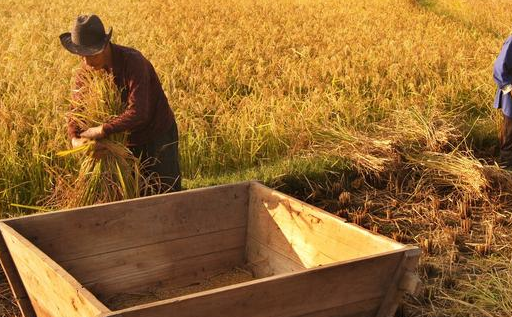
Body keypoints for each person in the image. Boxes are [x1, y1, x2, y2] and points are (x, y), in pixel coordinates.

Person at [60, 14, 181, 192]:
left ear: (104, 46)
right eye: (81, 55)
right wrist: (75, 140)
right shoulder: (86, 72)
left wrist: (102, 130)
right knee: (131, 197)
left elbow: (139, 112)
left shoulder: (133, 62)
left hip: (156, 136)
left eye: (91, 55)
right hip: (123, 145)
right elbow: (75, 110)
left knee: (165, 195)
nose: (86, 62)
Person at [493, 35, 512, 169]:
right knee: (510, 135)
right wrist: (509, 88)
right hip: (511, 97)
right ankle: (504, 173)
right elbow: (499, 68)